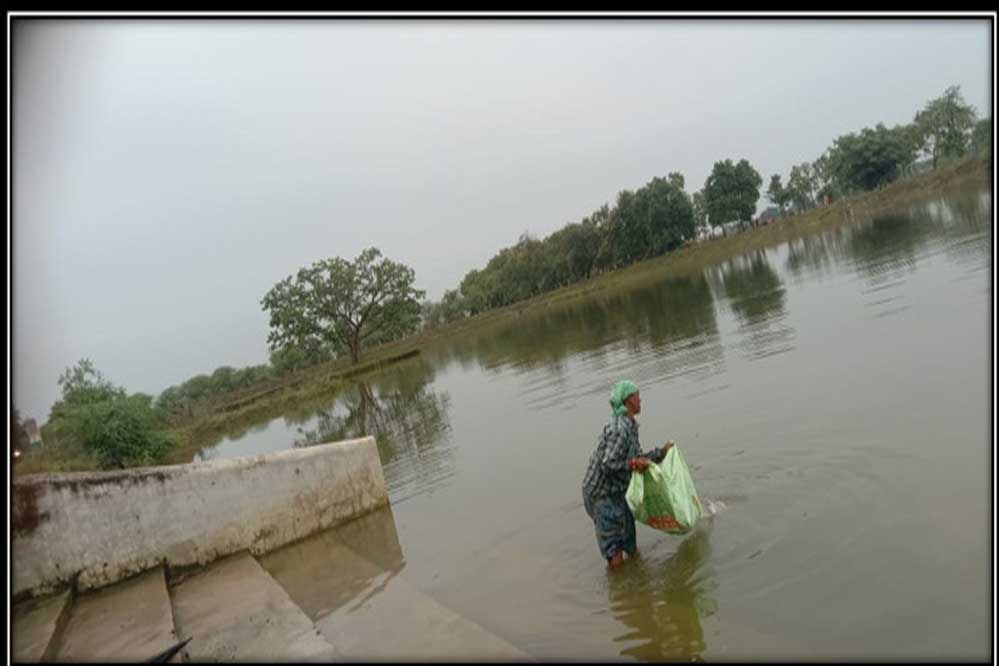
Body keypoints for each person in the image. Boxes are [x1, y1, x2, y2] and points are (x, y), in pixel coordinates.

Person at [582, 380, 673, 569]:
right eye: (638, 395)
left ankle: (634, 587)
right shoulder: (619, 429)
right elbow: (608, 463)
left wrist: (660, 453)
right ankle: (620, 588)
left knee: (630, 544)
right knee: (615, 552)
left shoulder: (630, 426)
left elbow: (637, 457)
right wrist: (633, 463)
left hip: (618, 491)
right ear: (629, 400)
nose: (641, 399)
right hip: (601, 496)